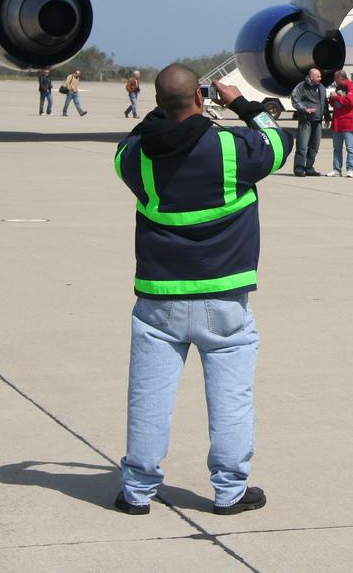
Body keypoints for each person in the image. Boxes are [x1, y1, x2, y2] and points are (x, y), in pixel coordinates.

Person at [112, 63, 291, 517]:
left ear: (156, 103)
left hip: (158, 300)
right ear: (200, 97)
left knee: (148, 398)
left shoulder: (137, 159)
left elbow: (126, 145)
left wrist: (167, 112)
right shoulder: (231, 149)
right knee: (230, 399)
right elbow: (277, 142)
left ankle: (136, 491)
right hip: (223, 300)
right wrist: (240, 104)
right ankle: (230, 491)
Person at [289, 67, 328, 177]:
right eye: (318, 76)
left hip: (318, 121)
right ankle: (299, 168)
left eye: (320, 76)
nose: (320, 78)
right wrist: (304, 109)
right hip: (306, 121)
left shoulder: (321, 88)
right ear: (311, 77)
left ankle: (309, 167)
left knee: (314, 146)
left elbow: (324, 103)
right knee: (302, 146)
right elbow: (294, 98)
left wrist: (327, 117)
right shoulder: (301, 86)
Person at [327, 69, 353, 177]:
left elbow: (350, 101)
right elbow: (334, 104)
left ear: (341, 78)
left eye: (336, 79)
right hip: (337, 123)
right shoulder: (338, 88)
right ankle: (336, 169)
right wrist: (331, 98)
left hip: (348, 123)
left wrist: (336, 97)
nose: (334, 81)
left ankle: (350, 169)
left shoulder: (352, 88)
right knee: (337, 148)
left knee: (350, 148)